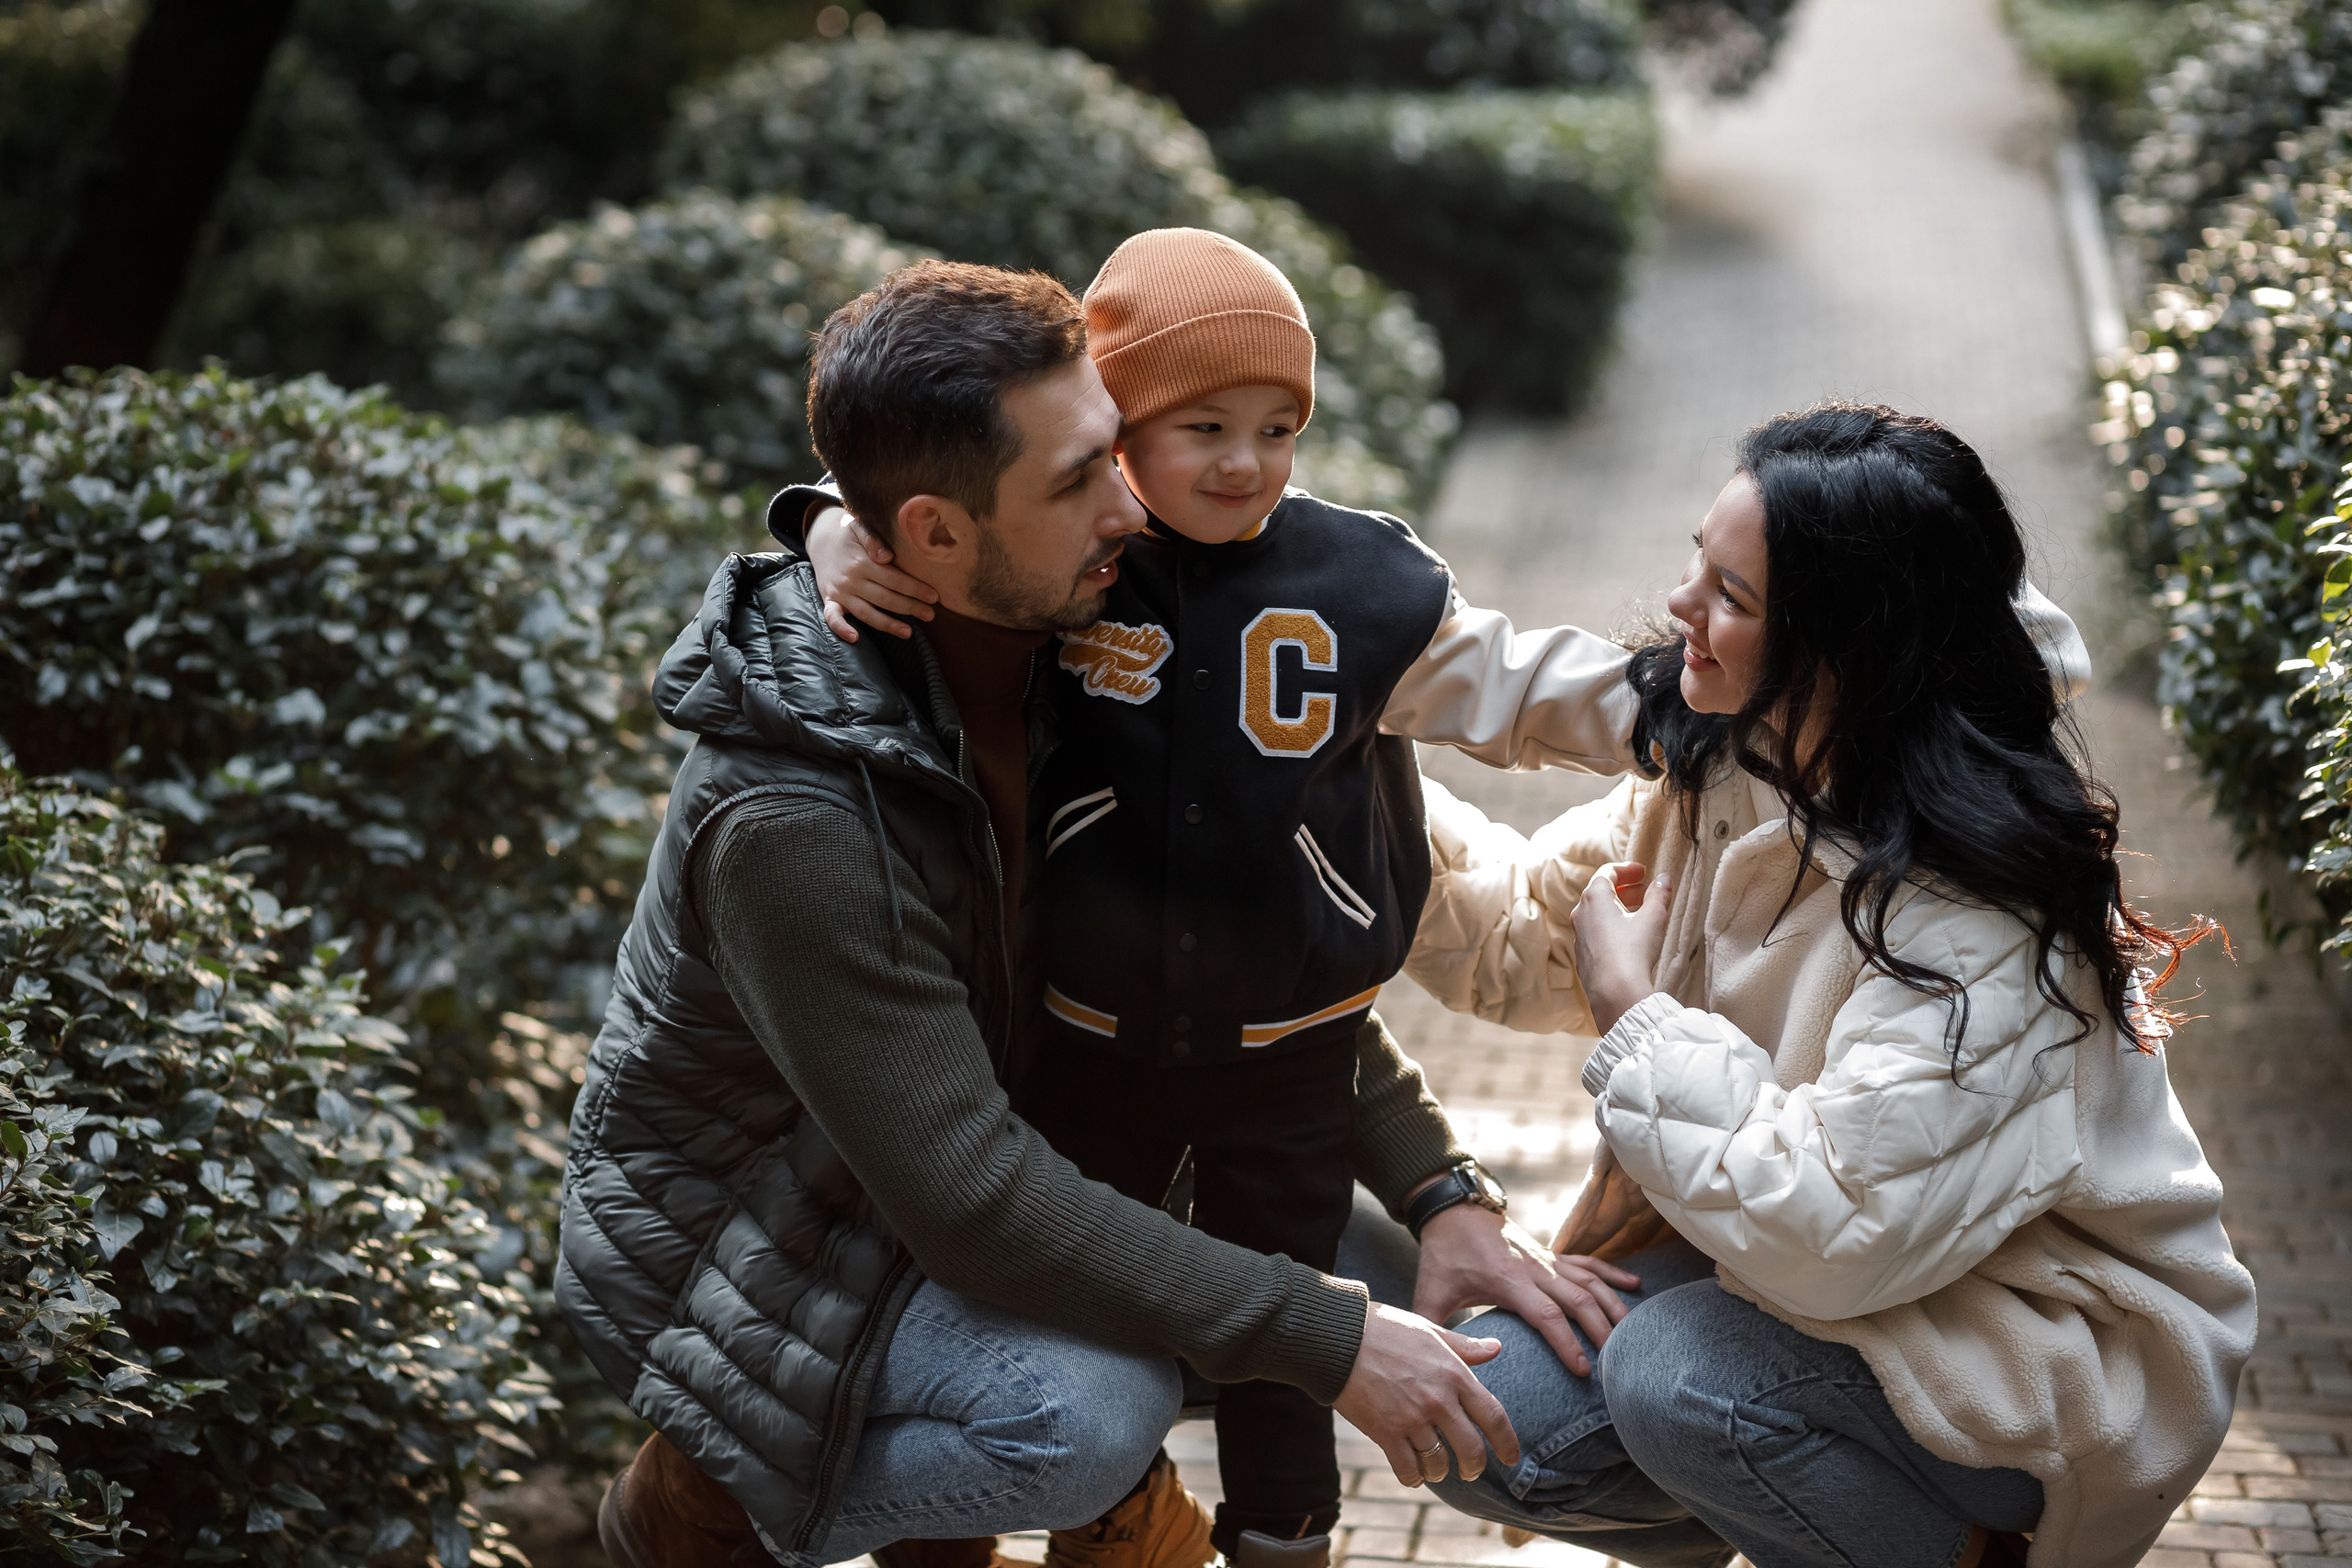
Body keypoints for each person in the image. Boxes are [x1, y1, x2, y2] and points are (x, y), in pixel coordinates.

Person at [558, 258, 1634, 1568]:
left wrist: (1441, 1187)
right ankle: (697, 1509)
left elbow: (1228, 975)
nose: (1135, 501)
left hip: (1010, 1139)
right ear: (936, 536)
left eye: (1117, 447)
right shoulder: (801, 815)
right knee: (1094, 1410)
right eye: (1081, 480)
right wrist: (1330, 1332)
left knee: (1344, 1284)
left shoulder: (1072, 635)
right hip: (770, 1239)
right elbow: (969, 1195)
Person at [1402, 402, 2259, 1568]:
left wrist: (1635, 1015)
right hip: (1837, 1274)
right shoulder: (1734, 761)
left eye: (1732, 599)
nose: (1681, 611)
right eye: (1698, 566)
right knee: (1500, 1422)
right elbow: (1507, 935)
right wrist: (1318, 803)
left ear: (1846, 653)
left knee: (1680, 1380)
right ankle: (1802, 1519)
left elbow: (1831, 1229)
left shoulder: (1980, 904)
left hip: (2040, 1336)